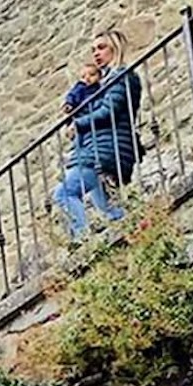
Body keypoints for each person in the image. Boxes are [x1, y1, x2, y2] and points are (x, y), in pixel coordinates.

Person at [53, 29, 144, 239]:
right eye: (93, 49)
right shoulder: (100, 85)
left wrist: (79, 123)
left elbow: (107, 111)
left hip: (104, 151)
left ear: (116, 48)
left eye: (101, 48)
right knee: (110, 210)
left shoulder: (122, 77)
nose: (96, 53)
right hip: (96, 149)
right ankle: (138, 231)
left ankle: (84, 242)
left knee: (64, 193)